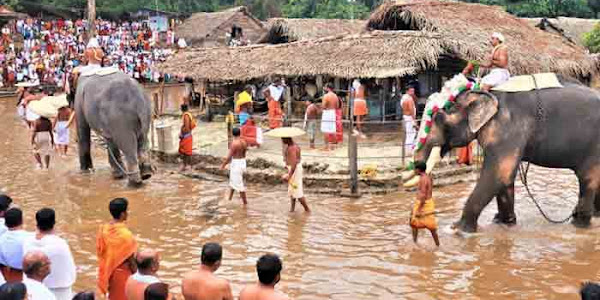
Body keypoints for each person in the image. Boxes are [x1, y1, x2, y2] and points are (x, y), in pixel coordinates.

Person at [22, 208, 76, 300]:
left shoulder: (27, 241)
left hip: (34, 287)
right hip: (60, 290)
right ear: (54, 223)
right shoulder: (60, 244)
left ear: (37, 223)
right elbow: (70, 269)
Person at [97, 198, 137, 300]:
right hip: (122, 273)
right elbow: (131, 260)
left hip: (108, 271)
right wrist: (137, 275)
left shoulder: (103, 229)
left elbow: (101, 252)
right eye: (127, 211)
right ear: (123, 214)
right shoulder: (126, 235)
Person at [410, 161, 440, 247]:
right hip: (428, 202)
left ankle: (415, 242)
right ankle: (437, 245)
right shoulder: (428, 177)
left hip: (424, 204)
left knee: (430, 226)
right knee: (414, 223)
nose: (414, 171)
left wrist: (419, 209)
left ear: (418, 170)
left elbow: (423, 194)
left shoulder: (423, 179)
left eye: (415, 169)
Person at [0, 208, 32, 282]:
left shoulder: (1, 238)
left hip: (8, 273)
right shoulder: (29, 237)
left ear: (5, 223)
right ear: (22, 221)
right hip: (24, 274)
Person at [220, 128, 248, 205]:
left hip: (237, 163)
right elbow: (245, 152)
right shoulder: (244, 142)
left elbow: (229, 157)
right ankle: (229, 199)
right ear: (240, 133)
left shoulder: (234, 143)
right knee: (233, 181)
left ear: (232, 134)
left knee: (239, 184)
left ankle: (245, 203)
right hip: (242, 162)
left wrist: (223, 165)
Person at [282, 137, 310, 213]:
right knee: (292, 191)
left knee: (297, 192)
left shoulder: (292, 148)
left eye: (283, 139)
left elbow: (294, 163)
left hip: (294, 170)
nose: (282, 140)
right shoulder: (294, 146)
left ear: (287, 139)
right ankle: (292, 209)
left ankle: (307, 210)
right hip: (294, 169)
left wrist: (289, 175)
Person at [320, 83, 338, 151]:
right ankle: (333, 146)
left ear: (328, 88)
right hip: (333, 112)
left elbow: (324, 106)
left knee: (325, 130)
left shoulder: (326, 96)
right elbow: (337, 105)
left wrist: (322, 107)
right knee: (332, 129)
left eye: (325, 87)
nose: (324, 88)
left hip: (327, 112)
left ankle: (326, 146)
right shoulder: (335, 96)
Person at [179, 104, 195, 172]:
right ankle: (185, 165)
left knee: (188, 153)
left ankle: (190, 166)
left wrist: (182, 134)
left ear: (181, 109)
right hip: (187, 136)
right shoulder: (188, 114)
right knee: (184, 152)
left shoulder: (186, 116)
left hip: (186, 136)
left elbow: (187, 128)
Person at [401, 87, 417, 156]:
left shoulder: (403, 98)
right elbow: (411, 110)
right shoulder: (409, 99)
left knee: (409, 133)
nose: (413, 93)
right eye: (411, 91)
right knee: (411, 134)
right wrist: (414, 120)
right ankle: (409, 150)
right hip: (409, 117)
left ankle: (408, 149)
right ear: (407, 91)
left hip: (405, 116)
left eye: (413, 91)